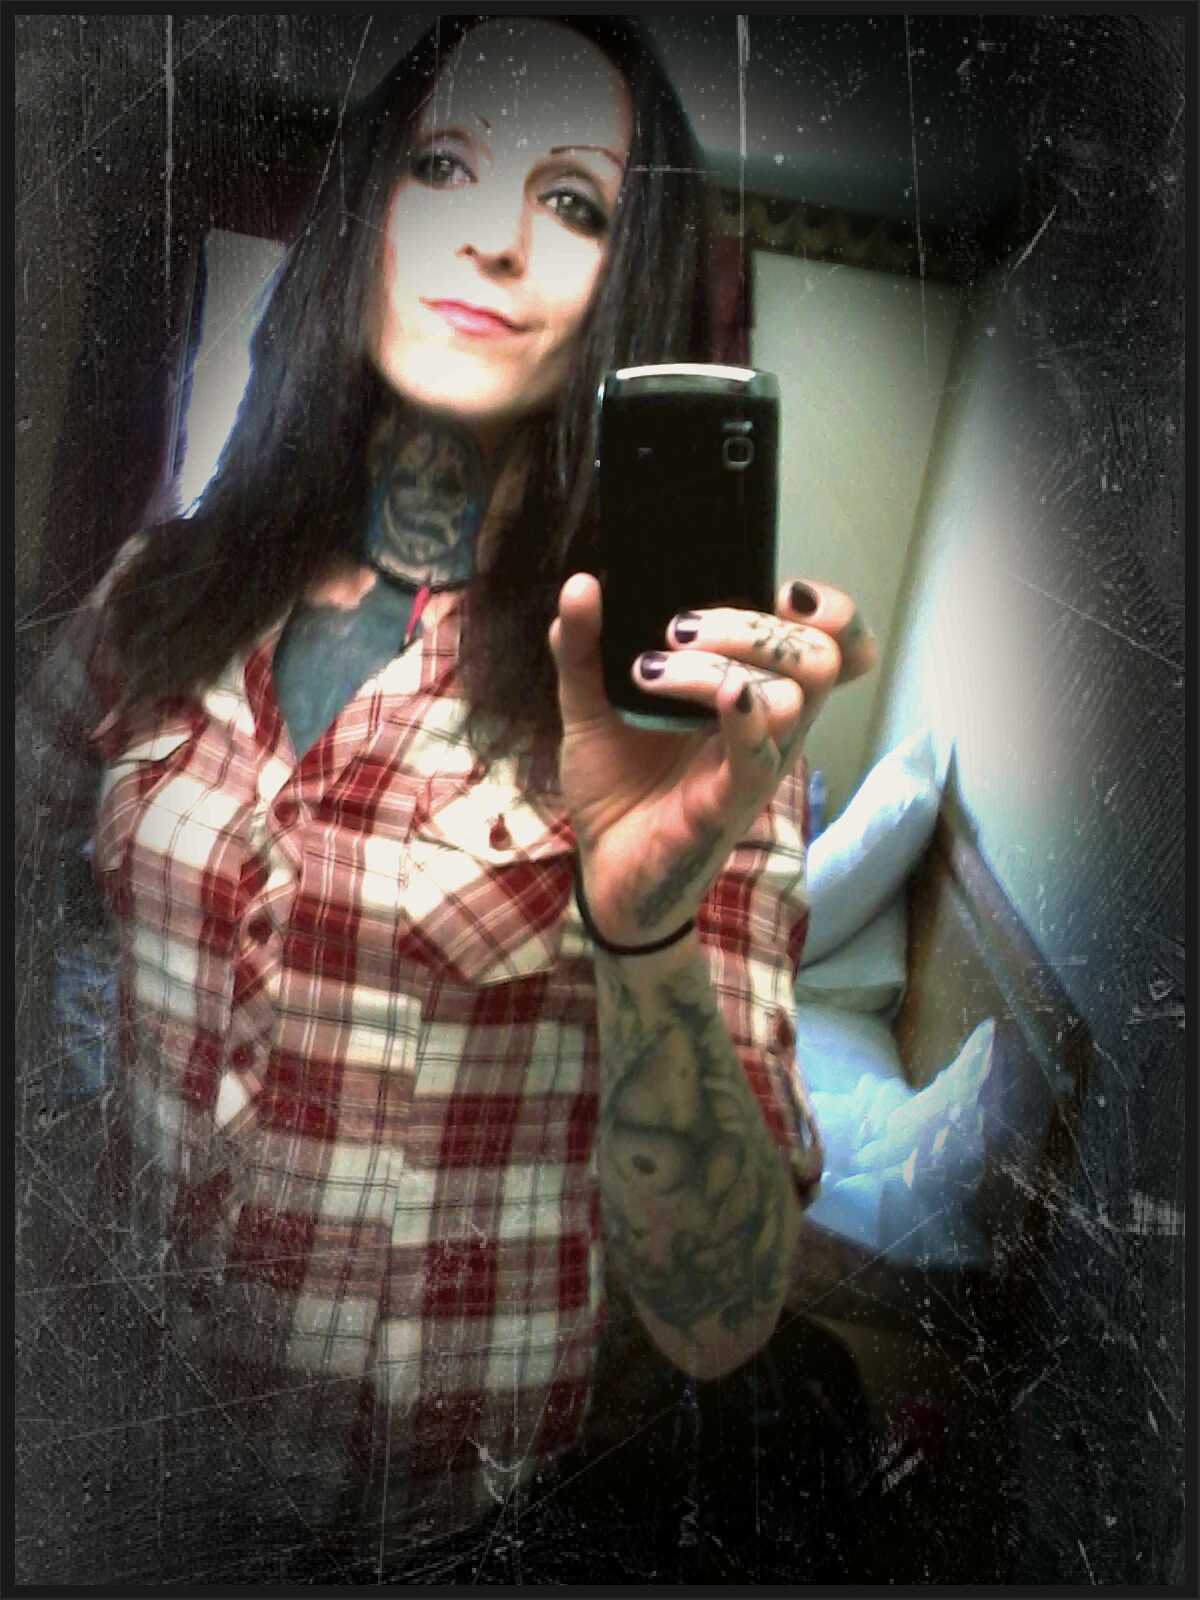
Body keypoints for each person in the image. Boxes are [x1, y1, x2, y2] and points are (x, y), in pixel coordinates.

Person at [18, 14, 877, 1582]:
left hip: (438, 1538)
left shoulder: (682, 717)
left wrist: (645, 934)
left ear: (627, 283)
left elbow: (718, 1311)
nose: (493, 239)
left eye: (574, 202)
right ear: (369, 212)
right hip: (107, 1476)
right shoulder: (161, 595)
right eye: (443, 168)